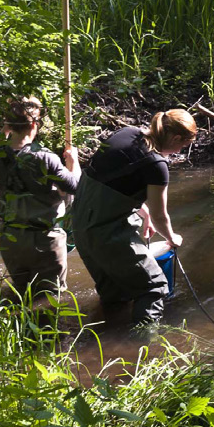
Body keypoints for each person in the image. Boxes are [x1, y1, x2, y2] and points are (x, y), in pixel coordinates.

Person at [69, 109, 197, 326]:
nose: (180, 150)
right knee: (154, 287)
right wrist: (171, 237)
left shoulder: (126, 133)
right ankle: (144, 349)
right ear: (176, 138)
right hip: (106, 235)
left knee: (115, 293)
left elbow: (111, 182)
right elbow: (160, 215)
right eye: (183, 145)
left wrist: (141, 209)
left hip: (80, 228)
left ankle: (106, 341)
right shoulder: (157, 165)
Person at [0, 97, 80, 297]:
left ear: (8, 124)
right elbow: (75, 186)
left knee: (22, 294)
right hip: (44, 240)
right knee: (50, 298)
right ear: (35, 124)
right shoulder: (44, 157)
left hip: (11, 238)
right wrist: (74, 161)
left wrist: (5, 130)